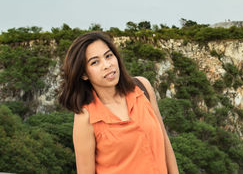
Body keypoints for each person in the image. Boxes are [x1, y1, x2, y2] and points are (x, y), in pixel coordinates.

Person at [59, 31, 179, 174]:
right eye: (95, 62)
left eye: (108, 56)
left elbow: (165, 144)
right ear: (84, 74)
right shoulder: (86, 117)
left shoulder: (142, 87)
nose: (107, 65)